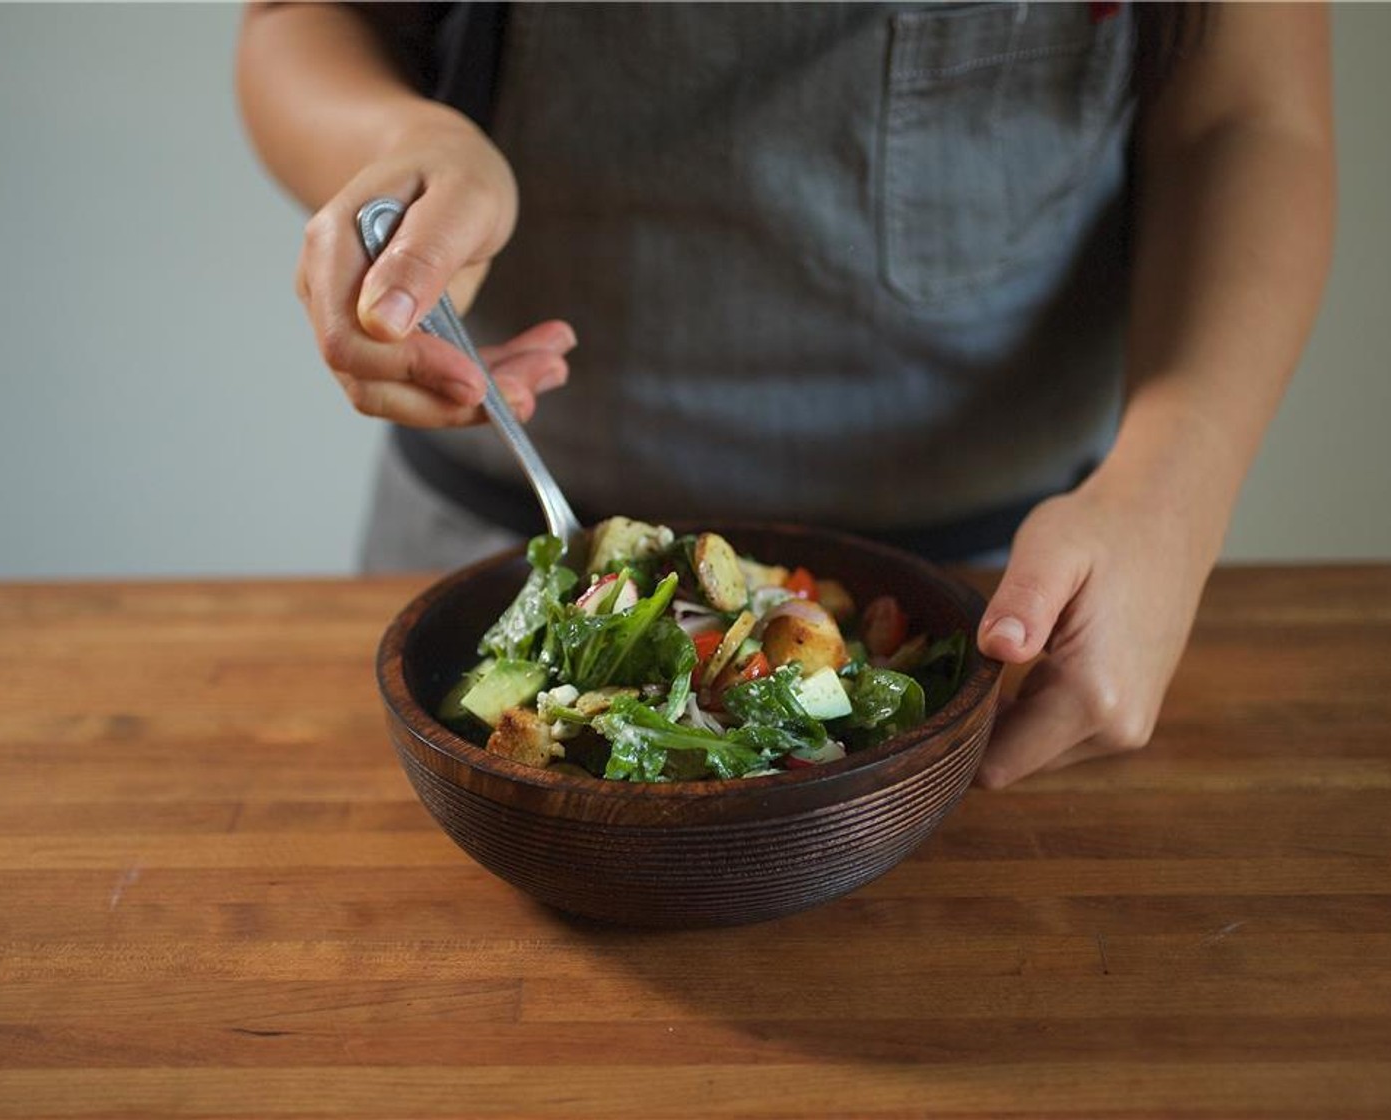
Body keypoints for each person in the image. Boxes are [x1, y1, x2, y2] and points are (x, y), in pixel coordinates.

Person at [235, 2, 1334, 787]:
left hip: (1010, 596)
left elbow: (1246, 114)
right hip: (482, 546)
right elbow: (301, 18)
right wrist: (405, 140)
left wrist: (1172, 492)